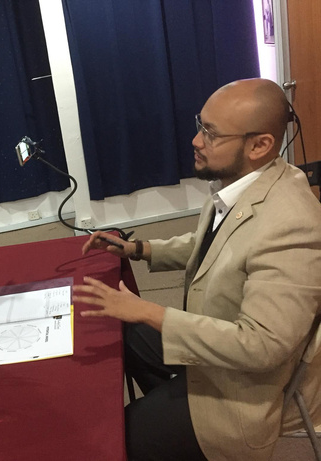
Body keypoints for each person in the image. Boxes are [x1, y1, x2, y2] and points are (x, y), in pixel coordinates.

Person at [72, 78, 321, 460]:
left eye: (211, 134)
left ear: (259, 145)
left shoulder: (292, 225)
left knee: (113, 439)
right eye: (200, 125)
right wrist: (138, 249)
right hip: (213, 355)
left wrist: (151, 312)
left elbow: (262, 347)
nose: (195, 140)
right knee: (123, 331)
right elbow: (213, 244)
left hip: (241, 397)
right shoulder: (243, 183)